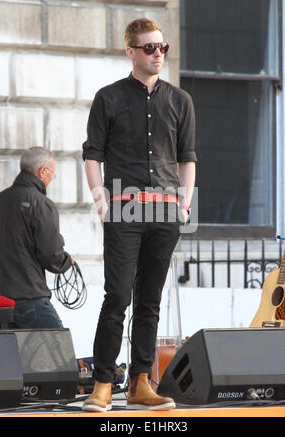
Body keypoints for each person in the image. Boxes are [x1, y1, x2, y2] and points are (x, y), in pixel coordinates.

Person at [82, 18, 196, 412]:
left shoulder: (180, 100)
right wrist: (101, 201)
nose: (158, 54)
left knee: (149, 300)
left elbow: (187, 157)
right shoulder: (108, 98)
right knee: (117, 296)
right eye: (149, 48)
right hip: (123, 208)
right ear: (131, 51)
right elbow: (92, 154)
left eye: (162, 47)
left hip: (166, 211)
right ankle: (102, 384)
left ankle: (141, 382)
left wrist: (183, 205)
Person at [0, 147, 73, 329]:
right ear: (43, 172)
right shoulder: (41, 203)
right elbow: (51, 256)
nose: (52, 178)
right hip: (29, 298)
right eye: (53, 173)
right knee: (57, 356)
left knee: (7, 357)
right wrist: (67, 261)